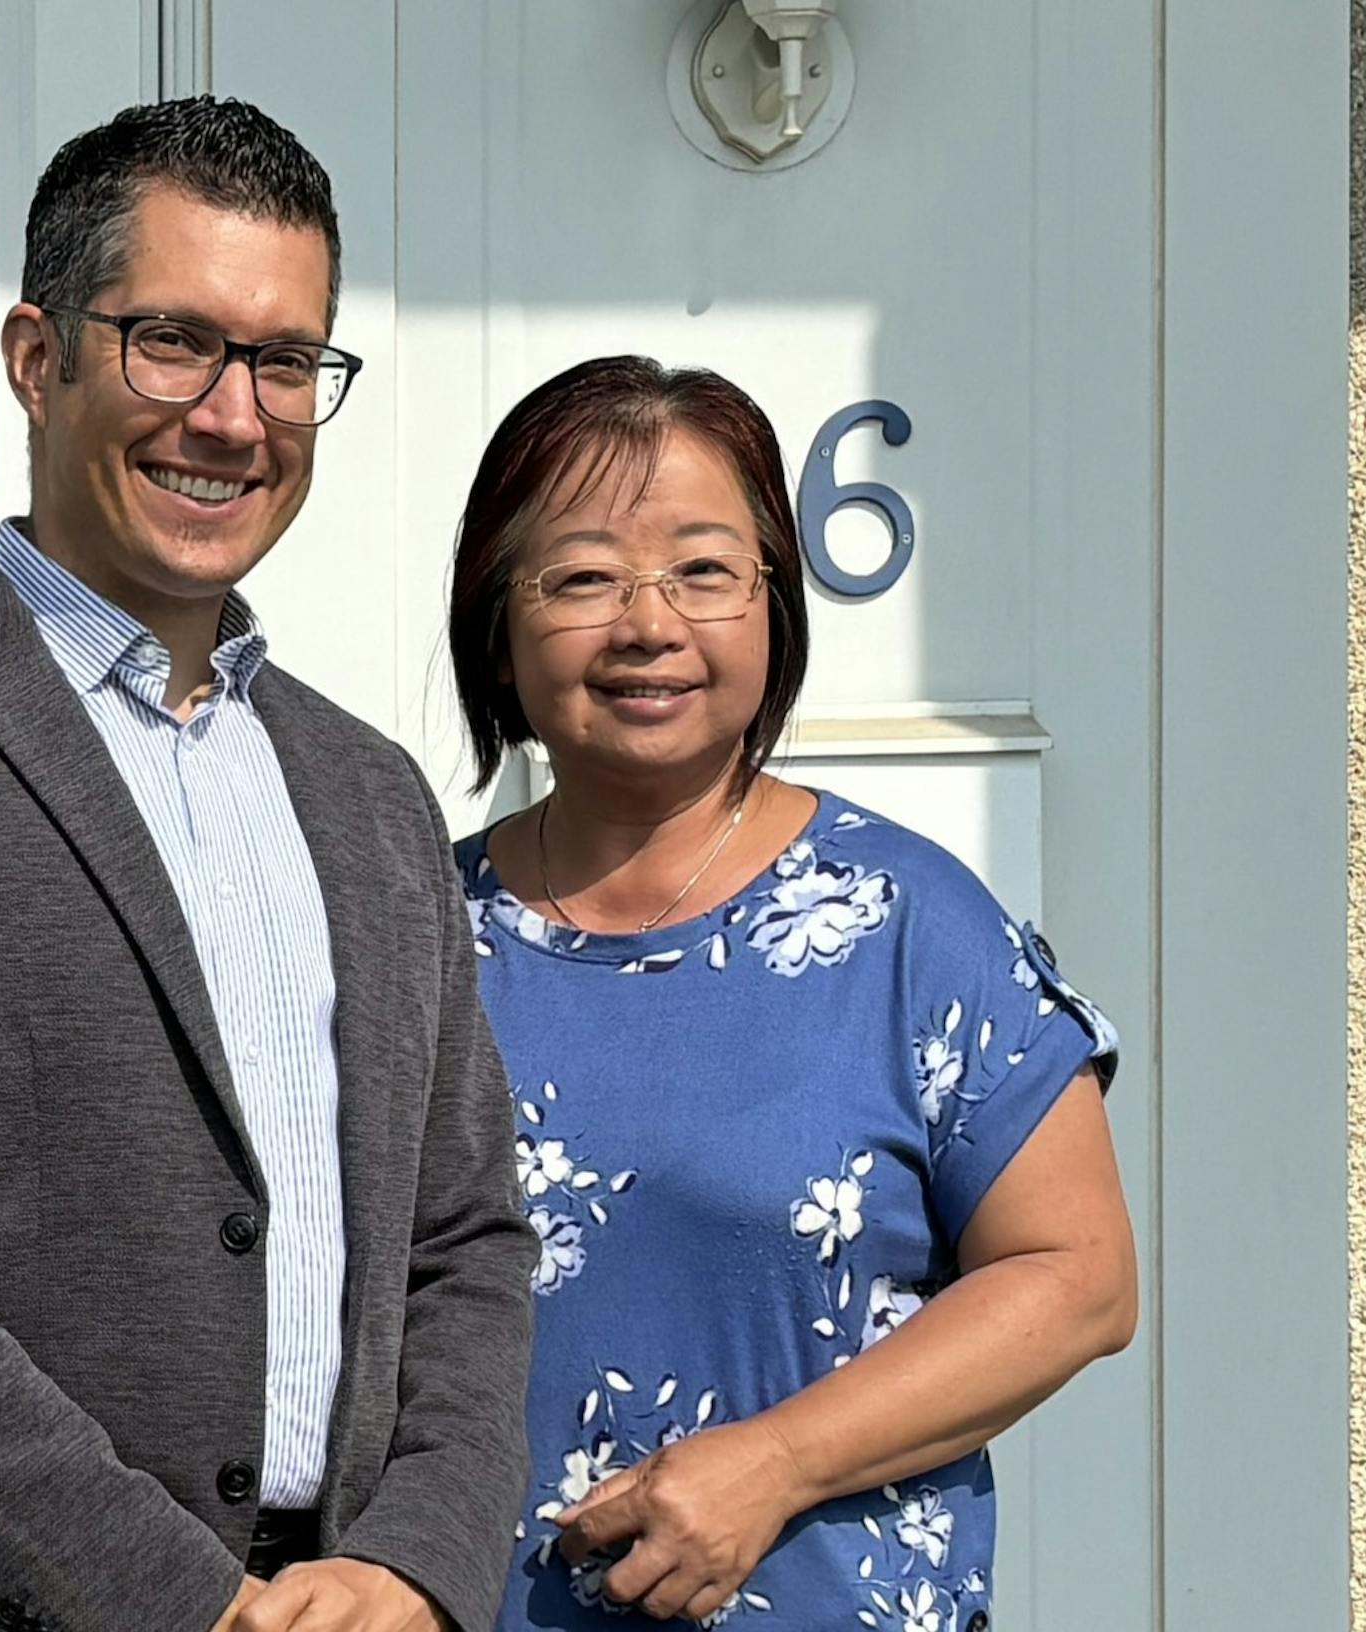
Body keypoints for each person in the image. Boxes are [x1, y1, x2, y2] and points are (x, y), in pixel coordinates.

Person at [0, 98, 533, 1632]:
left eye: (285, 361)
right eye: (174, 342)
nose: (234, 416)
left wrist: (416, 1565)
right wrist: (171, 1601)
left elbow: (463, 1240)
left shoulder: (370, 794)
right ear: (35, 356)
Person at [440, 358, 1137, 1627]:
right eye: (584, 576)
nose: (649, 624)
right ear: (499, 618)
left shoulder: (907, 924)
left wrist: (776, 1462)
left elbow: (1078, 1274)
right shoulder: (411, 937)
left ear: (775, 603)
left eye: (705, 571)